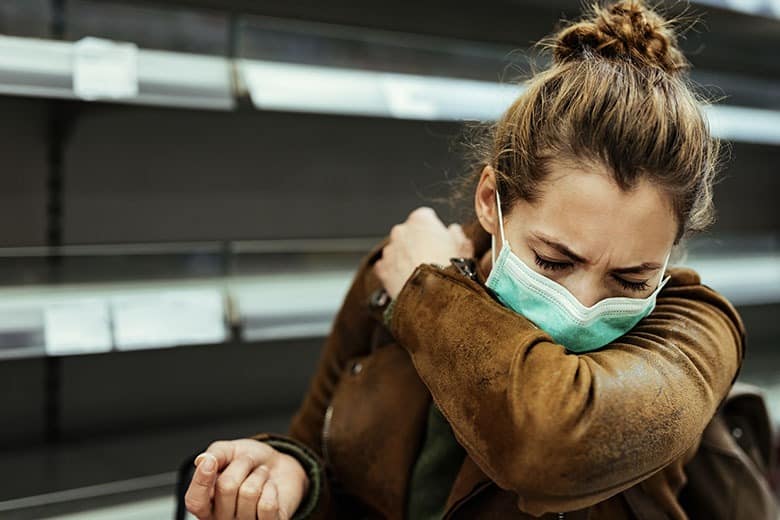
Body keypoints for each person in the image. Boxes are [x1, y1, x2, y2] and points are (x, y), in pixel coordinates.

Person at [184, 0, 759, 518]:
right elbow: (322, 450)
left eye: (631, 278)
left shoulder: (695, 332)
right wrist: (293, 480)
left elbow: (549, 446)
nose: (583, 305)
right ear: (491, 200)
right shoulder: (391, 278)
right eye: (554, 261)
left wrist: (429, 292)